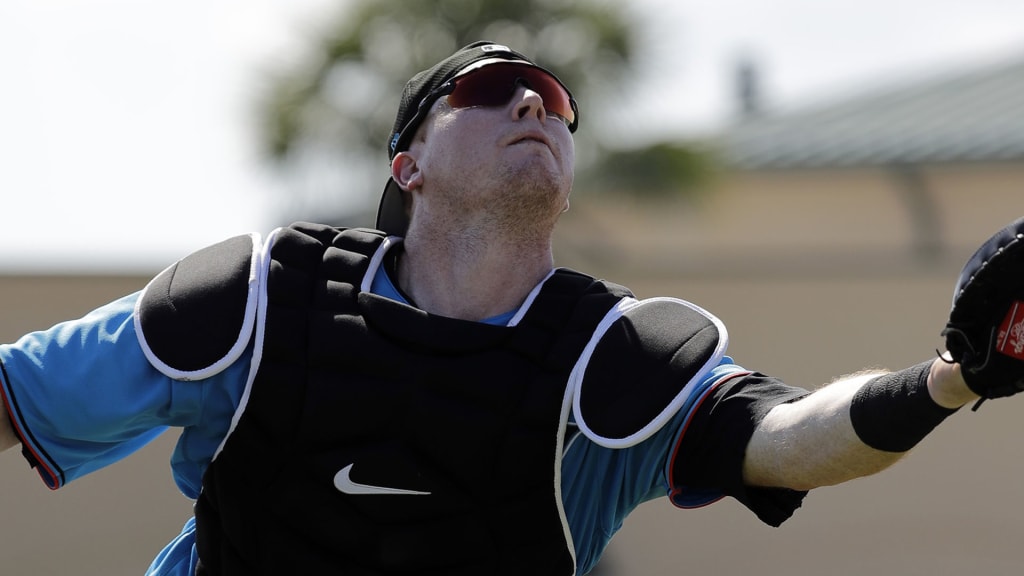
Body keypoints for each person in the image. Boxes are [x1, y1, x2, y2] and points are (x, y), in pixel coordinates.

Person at [0, 41, 1002, 576]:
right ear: (410, 165)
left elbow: (792, 442)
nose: (534, 105)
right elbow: (17, 397)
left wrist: (950, 377)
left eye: (557, 104)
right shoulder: (262, 299)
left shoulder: (616, 356)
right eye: (492, 90)